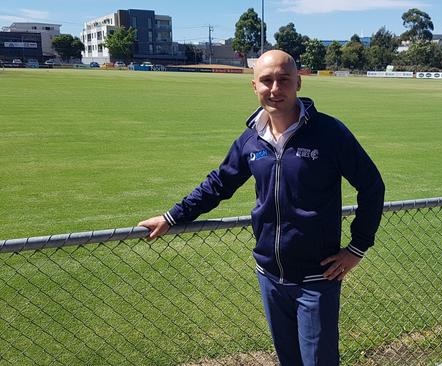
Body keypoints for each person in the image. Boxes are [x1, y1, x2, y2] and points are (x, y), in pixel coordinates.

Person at [138, 50, 384, 366]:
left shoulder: (329, 133)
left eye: (283, 80)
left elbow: (372, 186)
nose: (275, 88)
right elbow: (219, 184)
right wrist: (173, 216)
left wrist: (357, 248)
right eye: (266, 80)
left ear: (298, 82)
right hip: (269, 275)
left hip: (317, 277)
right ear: (254, 86)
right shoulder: (251, 139)